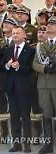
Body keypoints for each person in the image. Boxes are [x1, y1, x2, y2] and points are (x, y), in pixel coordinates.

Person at [1, 26, 35, 153]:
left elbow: (31, 68)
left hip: (24, 87)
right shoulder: (8, 49)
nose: (14, 35)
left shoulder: (30, 50)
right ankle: (16, 143)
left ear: (24, 35)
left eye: (17, 33)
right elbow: (2, 67)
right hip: (11, 87)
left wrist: (19, 67)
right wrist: (7, 65)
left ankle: (27, 144)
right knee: (14, 116)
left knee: (25, 116)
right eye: (13, 33)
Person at [32, 16, 56, 154]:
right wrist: (44, 69)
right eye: (48, 24)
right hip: (44, 84)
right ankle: (48, 144)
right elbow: (35, 63)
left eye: (53, 24)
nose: (49, 26)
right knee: (46, 114)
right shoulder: (40, 45)